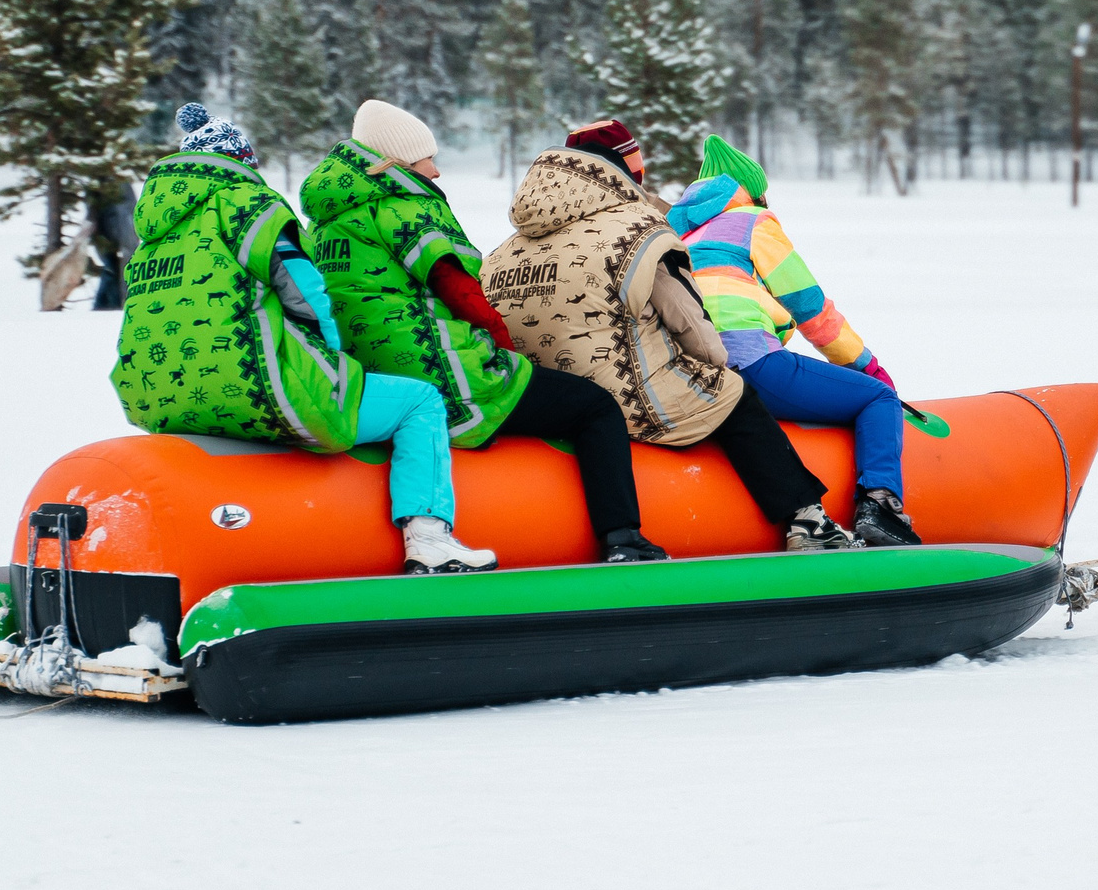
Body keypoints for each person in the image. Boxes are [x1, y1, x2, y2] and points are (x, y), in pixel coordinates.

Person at [111, 103, 493, 574]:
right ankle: (430, 536)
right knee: (420, 401)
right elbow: (306, 292)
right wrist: (332, 360)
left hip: (162, 400)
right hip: (261, 387)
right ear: (242, 162)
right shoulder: (249, 205)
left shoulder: (155, 233)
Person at [298, 99, 673, 564]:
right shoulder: (404, 206)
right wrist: (506, 350)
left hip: (377, 375)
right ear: (394, 164)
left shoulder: (324, 225)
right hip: (443, 370)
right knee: (594, 407)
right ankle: (623, 536)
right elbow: (462, 290)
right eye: (425, 159)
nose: (434, 171)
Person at [480, 119, 849, 551]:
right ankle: (807, 519)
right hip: (622, 394)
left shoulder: (506, 248)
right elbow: (695, 329)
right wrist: (715, 366)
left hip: (540, 395)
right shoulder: (641, 231)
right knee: (733, 394)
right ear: (626, 171)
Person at [668, 133, 920, 548]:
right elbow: (811, 309)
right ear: (751, 192)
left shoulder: (682, 238)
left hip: (694, 376)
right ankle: (880, 505)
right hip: (749, 361)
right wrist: (867, 367)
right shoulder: (753, 222)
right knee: (876, 397)